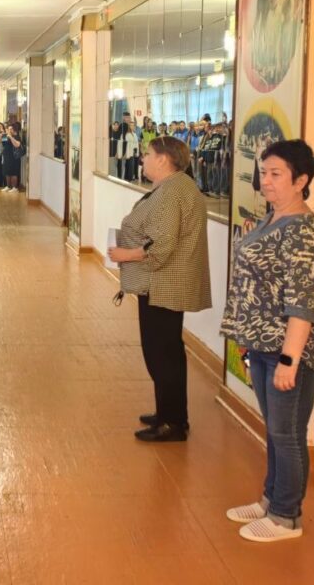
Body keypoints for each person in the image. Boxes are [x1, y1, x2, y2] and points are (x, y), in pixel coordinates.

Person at [221, 140, 314, 543]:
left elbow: (304, 303)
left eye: (276, 174)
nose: (265, 181)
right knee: (274, 430)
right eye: (263, 172)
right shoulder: (273, 217)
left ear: (301, 181)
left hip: (290, 350)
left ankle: (287, 516)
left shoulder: (301, 230)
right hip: (264, 344)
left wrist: (290, 360)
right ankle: (271, 499)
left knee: (288, 434)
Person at [108, 136, 211, 443]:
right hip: (163, 283)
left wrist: (126, 254)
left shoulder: (172, 192)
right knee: (167, 352)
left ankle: (172, 423)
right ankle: (170, 413)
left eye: (147, 154)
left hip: (164, 284)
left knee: (161, 353)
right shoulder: (175, 187)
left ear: (164, 159)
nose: (143, 159)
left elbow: (161, 244)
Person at [2, 123, 24, 193]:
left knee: (14, 172)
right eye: (8, 129)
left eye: (11, 129)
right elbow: (1, 143)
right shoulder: (6, 136)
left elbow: (17, 145)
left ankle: (15, 188)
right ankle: (8, 186)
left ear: (14, 130)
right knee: (7, 172)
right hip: (7, 156)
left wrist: (11, 137)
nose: (9, 130)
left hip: (14, 157)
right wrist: (3, 135)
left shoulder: (17, 136)